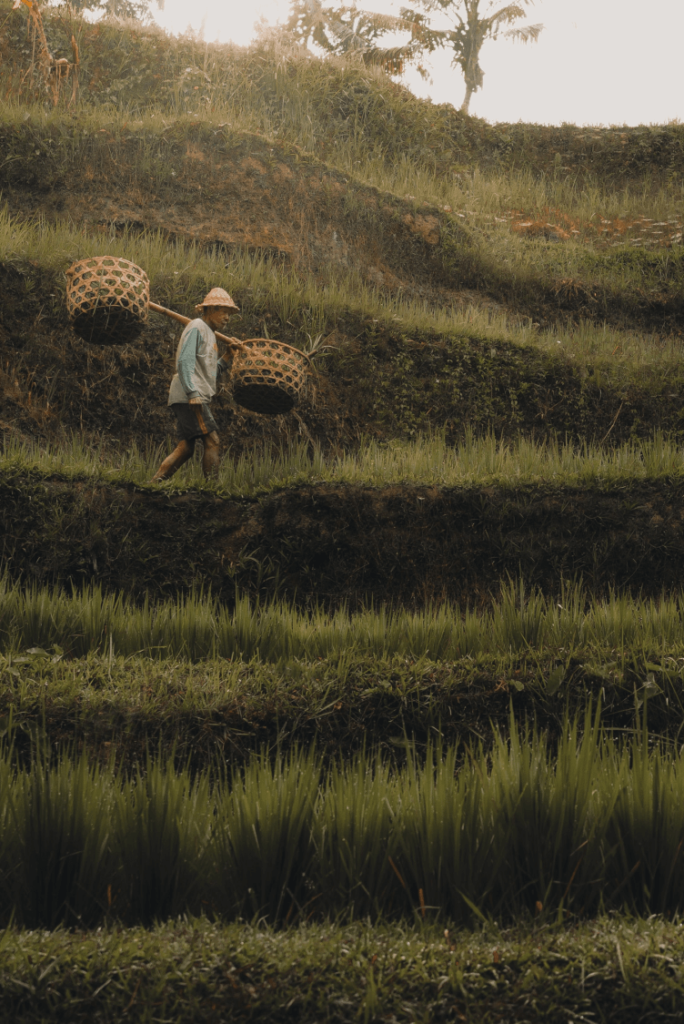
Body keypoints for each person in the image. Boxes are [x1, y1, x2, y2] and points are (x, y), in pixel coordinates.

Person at [152, 287, 240, 482]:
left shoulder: (209, 334)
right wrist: (192, 393)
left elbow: (209, 371)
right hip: (189, 394)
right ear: (209, 310)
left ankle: (153, 485)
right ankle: (212, 491)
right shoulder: (197, 327)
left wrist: (227, 355)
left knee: (186, 448)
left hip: (190, 393)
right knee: (213, 441)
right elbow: (185, 361)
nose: (227, 318)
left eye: (229, 314)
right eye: (224, 312)